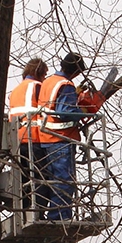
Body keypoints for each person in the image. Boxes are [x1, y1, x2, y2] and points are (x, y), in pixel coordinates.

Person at [38, 52, 88, 220]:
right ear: (76, 71)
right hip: (61, 138)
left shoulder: (49, 81)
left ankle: (55, 215)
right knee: (65, 181)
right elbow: (65, 112)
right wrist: (82, 111)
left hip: (46, 139)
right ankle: (60, 217)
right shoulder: (66, 85)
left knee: (53, 180)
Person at [9, 58, 49, 220]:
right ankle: (37, 214)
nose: (45, 78)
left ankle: (25, 213)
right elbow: (51, 107)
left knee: (25, 180)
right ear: (38, 72)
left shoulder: (15, 91)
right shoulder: (38, 87)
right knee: (42, 177)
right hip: (35, 138)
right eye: (44, 74)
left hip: (18, 140)